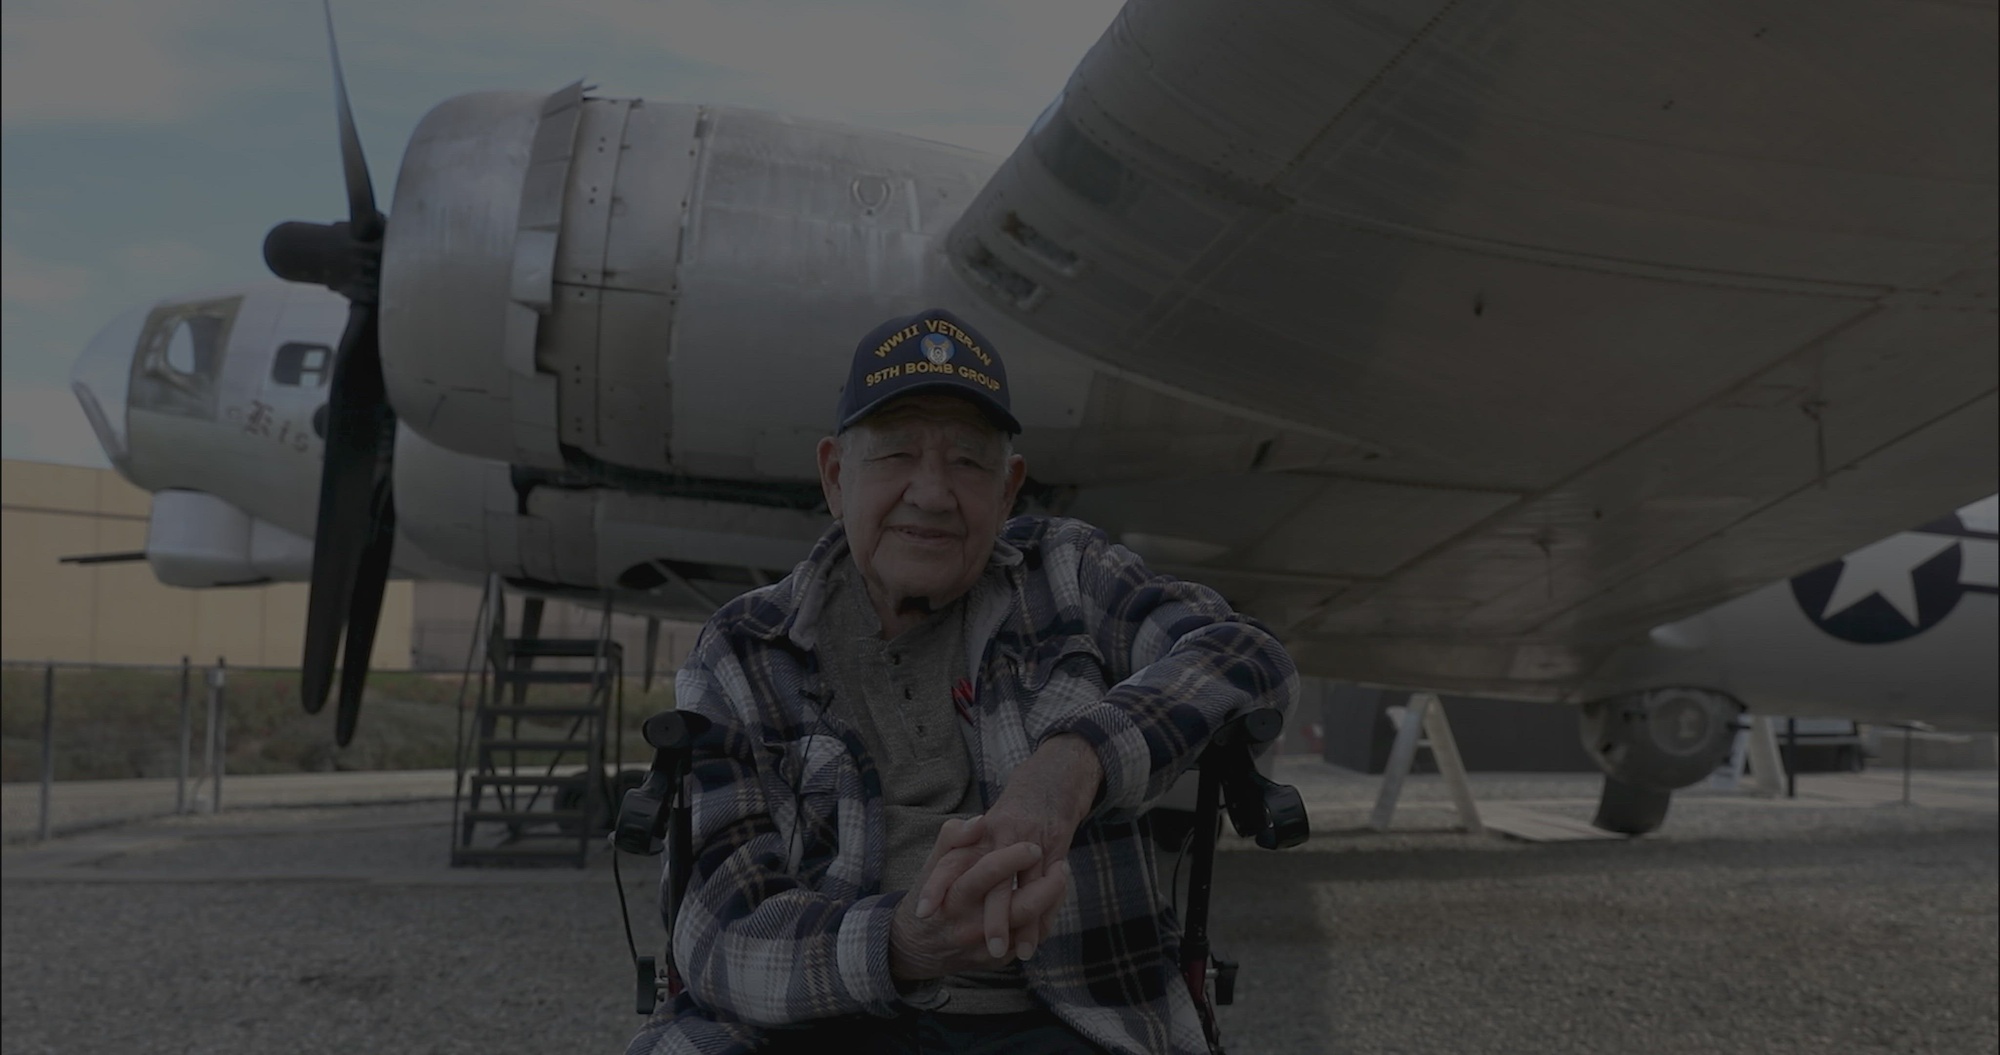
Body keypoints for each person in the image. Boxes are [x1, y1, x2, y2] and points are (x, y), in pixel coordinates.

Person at [626, 309, 1297, 1055]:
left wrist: (1074, 763)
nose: (934, 492)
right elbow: (719, 931)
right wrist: (906, 942)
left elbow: (1244, 654)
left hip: (1062, 1015)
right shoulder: (745, 648)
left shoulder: (1068, 577)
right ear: (834, 475)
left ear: (1008, 489)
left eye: (969, 462)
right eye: (897, 454)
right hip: (815, 1016)